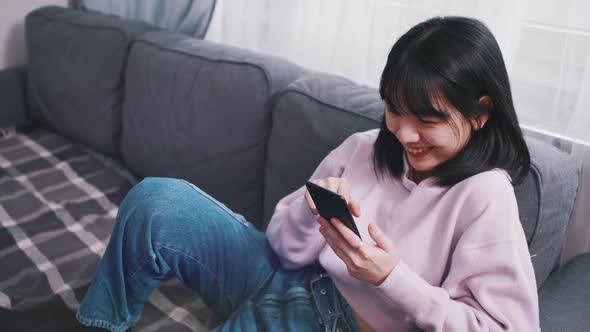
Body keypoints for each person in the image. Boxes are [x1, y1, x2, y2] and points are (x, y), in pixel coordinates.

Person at [76, 16, 540, 332]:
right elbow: (284, 248)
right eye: (395, 111)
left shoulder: (484, 196)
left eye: (428, 120)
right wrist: (308, 207)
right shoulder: (362, 148)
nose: (405, 133)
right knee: (157, 202)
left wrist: (391, 278)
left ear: (480, 114)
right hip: (283, 276)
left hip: (338, 321)